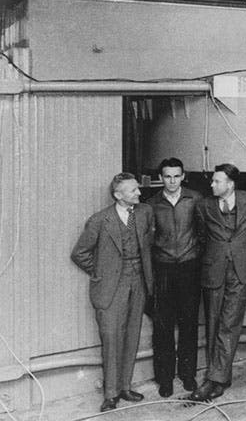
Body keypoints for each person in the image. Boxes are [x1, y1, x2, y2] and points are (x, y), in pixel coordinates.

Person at [71, 173, 154, 412]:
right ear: (118, 195)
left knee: (131, 334)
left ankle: (125, 387)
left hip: (138, 282)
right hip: (111, 287)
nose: (139, 193)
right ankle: (110, 394)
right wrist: (101, 272)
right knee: (111, 338)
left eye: (138, 189)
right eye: (133, 191)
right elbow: (80, 253)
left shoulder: (144, 213)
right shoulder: (99, 220)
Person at [189, 163, 246, 401]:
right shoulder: (203, 206)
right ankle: (220, 376)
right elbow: (201, 236)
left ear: (230, 184)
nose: (212, 185)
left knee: (229, 324)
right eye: (212, 181)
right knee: (214, 324)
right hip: (214, 270)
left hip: (240, 270)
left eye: (217, 181)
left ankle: (214, 379)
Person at [146, 157, 202, 397]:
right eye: (167, 176)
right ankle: (165, 378)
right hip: (164, 269)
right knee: (163, 326)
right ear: (161, 178)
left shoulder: (195, 199)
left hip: (189, 268)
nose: (172, 181)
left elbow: (204, 231)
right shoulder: (151, 204)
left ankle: (188, 375)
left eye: (176, 176)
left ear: (183, 176)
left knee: (189, 323)